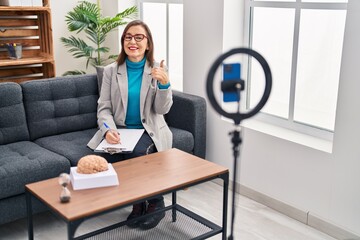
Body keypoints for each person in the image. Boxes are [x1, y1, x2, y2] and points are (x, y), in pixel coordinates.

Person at [87, 20, 172, 230]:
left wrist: (164, 85)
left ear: (148, 44)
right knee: (96, 158)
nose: (132, 41)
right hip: (120, 130)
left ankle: (155, 202)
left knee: (136, 154)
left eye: (138, 37)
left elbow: (162, 110)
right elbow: (104, 107)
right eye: (128, 37)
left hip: (148, 130)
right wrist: (108, 130)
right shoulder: (111, 71)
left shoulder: (157, 70)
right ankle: (136, 202)